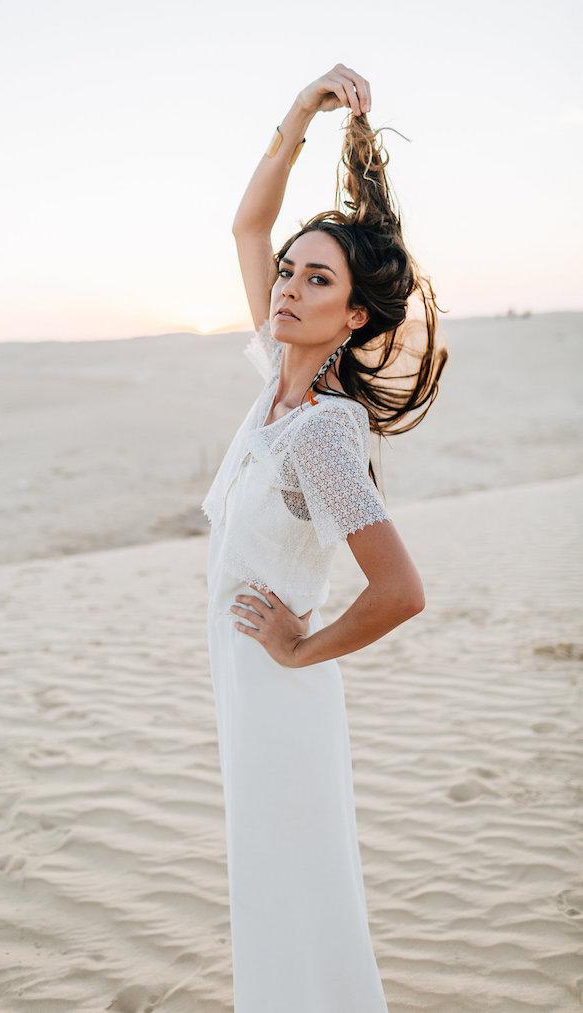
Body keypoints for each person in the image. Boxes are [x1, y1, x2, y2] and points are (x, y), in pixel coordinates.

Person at [201, 63, 448, 1013]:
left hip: (280, 691)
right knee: (271, 893)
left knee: (291, 892)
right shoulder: (275, 385)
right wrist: (300, 110)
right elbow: (246, 229)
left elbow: (400, 590)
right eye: (290, 273)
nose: (286, 286)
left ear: (353, 317)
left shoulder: (325, 430)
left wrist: (299, 647)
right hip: (242, 681)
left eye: (317, 279)